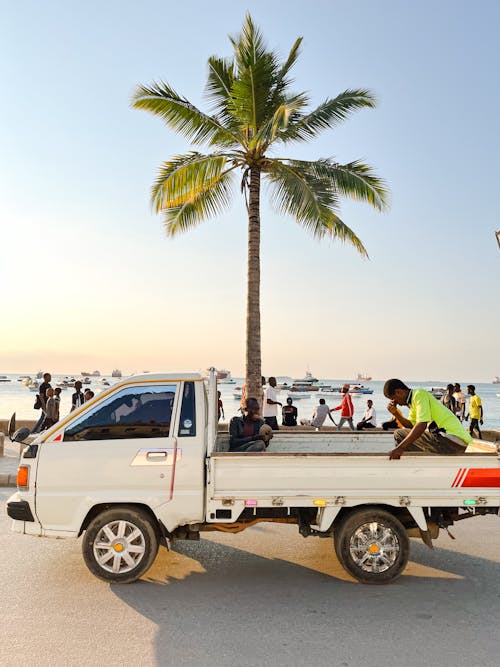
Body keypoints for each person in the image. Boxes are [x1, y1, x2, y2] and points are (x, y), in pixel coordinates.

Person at [383, 378, 472, 459]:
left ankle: (412, 466)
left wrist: (400, 448)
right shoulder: (412, 402)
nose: (395, 403)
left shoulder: (419, 394)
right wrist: (396, 413)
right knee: (405, 435)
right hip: (449, 440)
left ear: (399, 392)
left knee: (399, 434)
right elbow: (411, 426)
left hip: (452, 440)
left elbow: (422, 425)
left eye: (394, 399)